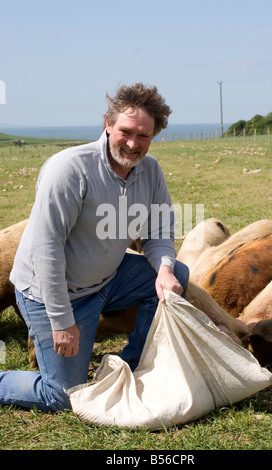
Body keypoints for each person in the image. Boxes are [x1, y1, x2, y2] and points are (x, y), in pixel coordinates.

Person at [0, 83, 189, 412]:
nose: (132, 144)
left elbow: (159, 231)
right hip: (51, 293)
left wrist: (164, 270)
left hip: (108, 279)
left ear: (154, 135)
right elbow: (48, 249)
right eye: (125, 131)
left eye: (143, 135)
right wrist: (61, 321)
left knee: (177, 275)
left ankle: (131, 364)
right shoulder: (69, 170)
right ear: (108, 125)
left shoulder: (151, 171)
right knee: (61, 396)